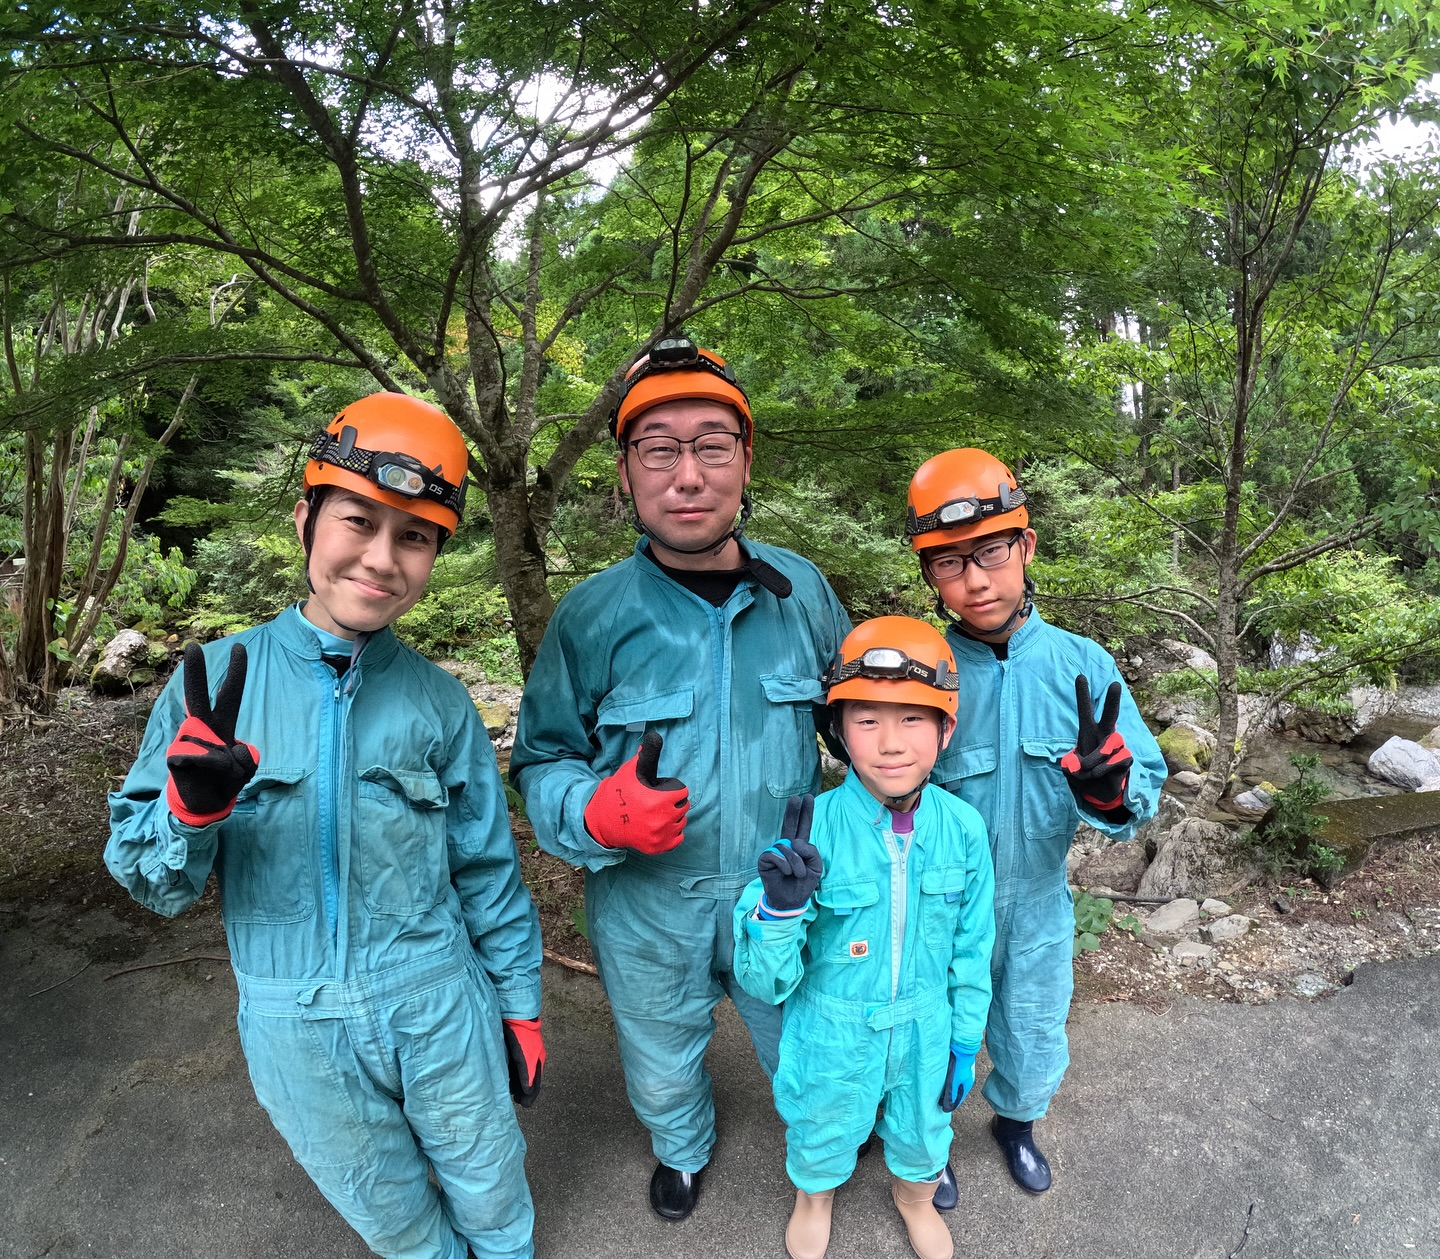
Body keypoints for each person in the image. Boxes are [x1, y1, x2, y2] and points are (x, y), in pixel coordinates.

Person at [105, 393, 545, 1259]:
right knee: (395, 1219)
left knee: (495, 1193)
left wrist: (522, 1005)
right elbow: (152, 882)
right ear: (306, 518)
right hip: (292, 1021)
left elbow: (487, 871)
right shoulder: (213, 683)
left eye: (413, 536)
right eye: (359, 520)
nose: (381, 559)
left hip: (440, 1005)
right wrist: (188, 814)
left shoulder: (441, 702)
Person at [510, 336, 851, 1222]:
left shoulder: (803, 593)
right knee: (661, 1056)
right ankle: (682, 1149)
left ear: (745, 460)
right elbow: (541, 759)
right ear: (624, 474)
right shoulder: (591, 616)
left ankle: (827, 1141)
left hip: (784, 889)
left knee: (809, 1038)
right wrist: (594, 808)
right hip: (646, 906)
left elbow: (861, 733)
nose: (687, 474)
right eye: (659, 448)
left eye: (711, 445)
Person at [905, 448, 1166, 1194]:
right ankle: (931, 1144)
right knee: (929, 1036)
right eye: (948, 563)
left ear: (1026, 545)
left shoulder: (1084, 664)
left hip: (1039, 899)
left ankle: (1014, 1125)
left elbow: (1141, 782)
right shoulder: (925, 668)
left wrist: (1112, 790)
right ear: (929, 575)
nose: (975, 579)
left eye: (990, 551)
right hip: (937, 905)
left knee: (1032, 1033)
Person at [732, 616, 994, 1259]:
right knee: (820, 1125)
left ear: (945, 730)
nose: (890, 743)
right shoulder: (809, 829)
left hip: (926, 1026)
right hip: (832, 1026)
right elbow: (765, 983)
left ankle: (914, 1200)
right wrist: (778, 913)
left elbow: (972, 946)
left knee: (923, 1131)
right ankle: (813, 1198)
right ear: (838, 732)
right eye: (867, 720)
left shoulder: (962, 827)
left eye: (912, 719)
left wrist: (964, 1038)